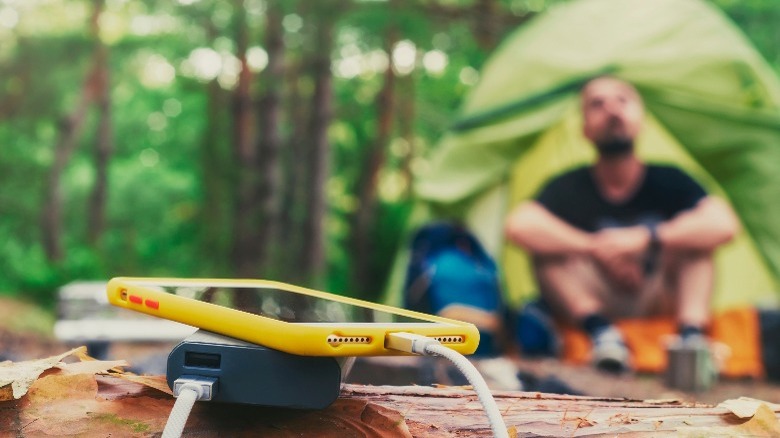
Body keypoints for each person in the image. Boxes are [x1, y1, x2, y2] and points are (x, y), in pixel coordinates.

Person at [504, 76, 740, 372]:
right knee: (546, 251)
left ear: (641, 120)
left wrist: (646, 239)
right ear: (585, 129)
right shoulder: (568, 185)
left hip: (656, 292)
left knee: (699, 244)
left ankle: (690, 341)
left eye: (622, 100)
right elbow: (519, 225)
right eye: (597, 104)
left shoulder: (670, 179)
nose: (612, 110)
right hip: (596, 295)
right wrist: (597, 248)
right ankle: (603, 335)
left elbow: (725, 225)